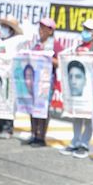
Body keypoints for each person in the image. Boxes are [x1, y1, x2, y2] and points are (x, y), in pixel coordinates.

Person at [59, 18, 93, 159]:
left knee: (89, 117)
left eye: (88, 30)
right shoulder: (77, 47)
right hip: (78, 92)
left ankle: (84, 144)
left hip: (91, 89)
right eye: (84, 29)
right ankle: (75, 141)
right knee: (77, 115)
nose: (84, 32)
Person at [25, 17, 63, 147]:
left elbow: (60, 63)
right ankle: (34, 133)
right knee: (32, 108)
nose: (40, 30)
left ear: (51, 31)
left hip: (46, 82)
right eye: (40, 27)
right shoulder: (36, 43)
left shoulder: (54, 45)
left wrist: (46, 57)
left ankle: (41, 137)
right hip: (33, 81)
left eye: (44, 28)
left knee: (43, 109)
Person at [0, 15, 25, 139]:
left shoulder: (16, 42)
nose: (3, 29)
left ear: (12, 30)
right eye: (2, 26)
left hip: (9, 77)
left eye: (6, 27)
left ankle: (7, 128)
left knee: (8, 104)